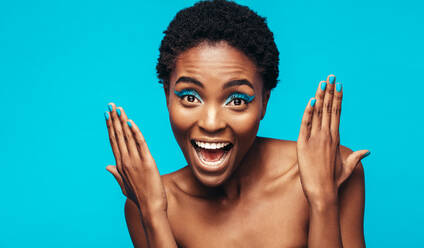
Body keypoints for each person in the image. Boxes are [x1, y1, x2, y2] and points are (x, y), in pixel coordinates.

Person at [104, 0, 370, 247]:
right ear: (167, 95)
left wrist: (323, 200)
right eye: (190, 97)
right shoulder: (148, 200)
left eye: (237, 100)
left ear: (264, 102)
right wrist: (152, 213)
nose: (211, 123)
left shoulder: (331, 171)